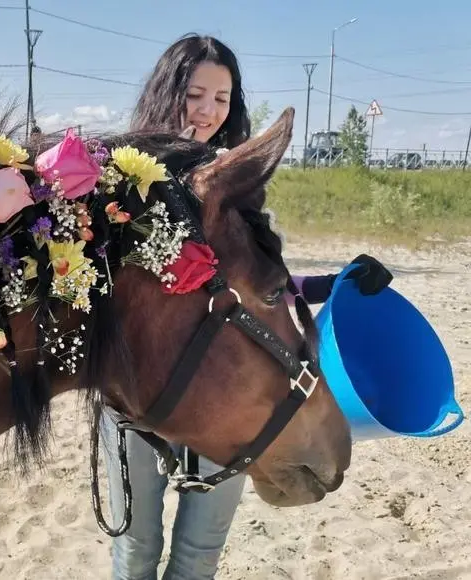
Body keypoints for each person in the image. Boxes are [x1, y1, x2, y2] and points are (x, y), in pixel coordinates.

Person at [99, 34, 393, 580]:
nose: (208, 110)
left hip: (224, 393)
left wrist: (333, 282)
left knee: (198, 554)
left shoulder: (239, 187)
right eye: (195, 94)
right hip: (134, 403)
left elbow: (263, 289)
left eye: (222, 98)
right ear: (168, 93)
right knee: (135, 551)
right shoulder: (123, 185)